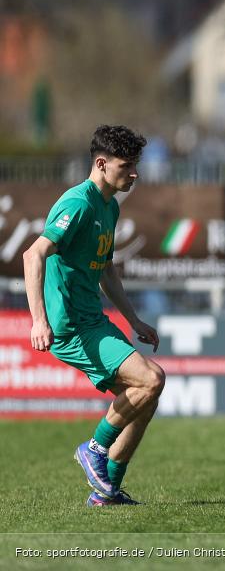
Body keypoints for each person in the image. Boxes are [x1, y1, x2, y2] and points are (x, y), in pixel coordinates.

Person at [23, 125, 165, 507]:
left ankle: (108, 491)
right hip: (71, 327)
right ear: (101, 164)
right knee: (152, 379)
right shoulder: (78, 203)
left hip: (95, 322)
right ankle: (94, 449)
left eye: (136, 165)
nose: (134, 173)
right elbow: (33, 255)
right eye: (126, 166)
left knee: (144, 398)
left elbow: (106, 269)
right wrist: (39, 320)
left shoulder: (109, 206)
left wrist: (134, 321)